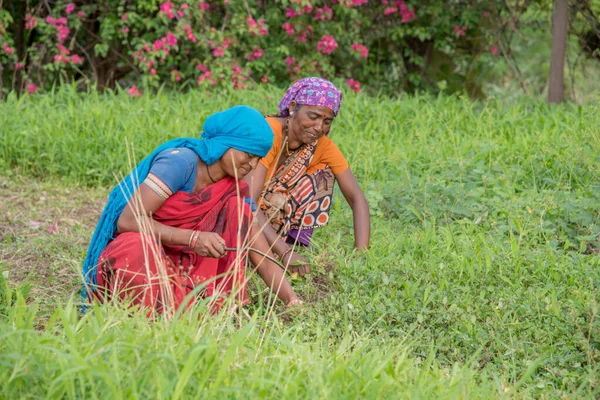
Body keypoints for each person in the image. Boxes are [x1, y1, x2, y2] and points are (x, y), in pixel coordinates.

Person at [82, 105, 300, 316]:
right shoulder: (180, 163)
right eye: (248, 154)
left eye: (258, 159)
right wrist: (193, 238)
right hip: (146, 253)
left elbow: (260, 253)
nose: (252, 166)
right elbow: (128, 221)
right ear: (226, 143)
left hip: (186, 266)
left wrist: (292, 299)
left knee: (239, 209)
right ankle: (141, 317)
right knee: (136, 247)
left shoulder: (234, 189)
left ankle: (195, 306)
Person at [243, 77, 370, 276]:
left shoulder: (321, 145)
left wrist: (362, 255)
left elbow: (357, 198)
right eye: (313, 116)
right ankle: (262, 248)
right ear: (293, 107)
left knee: (323, 174)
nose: (319, 127)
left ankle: (287, 242)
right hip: (236, 210)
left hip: (263, 213)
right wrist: (284, 253)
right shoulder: (270, 132)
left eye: (327, 121)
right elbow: (247, 202)